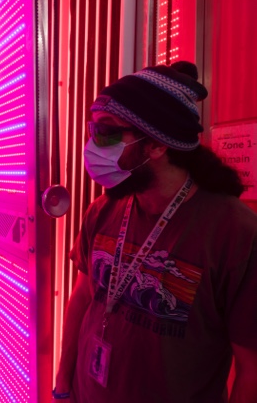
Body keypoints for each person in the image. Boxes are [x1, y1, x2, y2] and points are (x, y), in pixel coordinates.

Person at [52, 62, 257, 403]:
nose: (92, 144)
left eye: (106, 132)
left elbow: (251, 367)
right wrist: (62, 386)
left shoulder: (234, 232)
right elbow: (81, 300)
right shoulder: (103, 209)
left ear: (157, 145)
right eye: (93, 130)